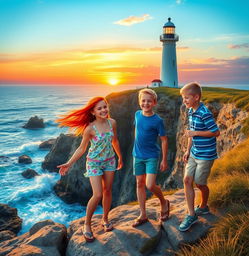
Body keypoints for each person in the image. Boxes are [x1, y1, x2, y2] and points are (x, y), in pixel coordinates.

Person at [56, 97, 123, 242]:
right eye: (99, 108)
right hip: (94, 163)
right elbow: (82, 148)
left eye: (105, 107)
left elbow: (115, 141)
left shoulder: (112, 123)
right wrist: (68, 163)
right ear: (93, 112)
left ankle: (105, 219)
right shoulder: (90, 129)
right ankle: (87, 224)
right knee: (98, 194)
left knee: (107, 191)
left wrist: (120, 157)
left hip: (110, 161)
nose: (103, 110)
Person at [179, 82, 220, 232]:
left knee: (200, 184)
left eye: (186, 98)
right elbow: (191, 132)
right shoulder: (190, 111)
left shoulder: (205, 113)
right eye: (183, 98)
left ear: (196, 97)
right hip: (194, 153)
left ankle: (203, 206)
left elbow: (215, 132)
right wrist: (187, 150)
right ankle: (191, 214)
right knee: (187, 180)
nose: (184, 101)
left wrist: (195, 133)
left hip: (206, 155)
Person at [132, 88, 169, 227]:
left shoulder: (157, 120)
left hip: (152, 156)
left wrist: (164, 159)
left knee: (150, 185)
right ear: (139, 102)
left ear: (154, 103)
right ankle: (143, 214)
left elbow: (164, 140)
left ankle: (164, 202)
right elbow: (138, 131)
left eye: (149, 101)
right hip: (137, 156)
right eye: (143, 101)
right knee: (139, 183)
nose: (145, 103)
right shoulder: (137, 115)